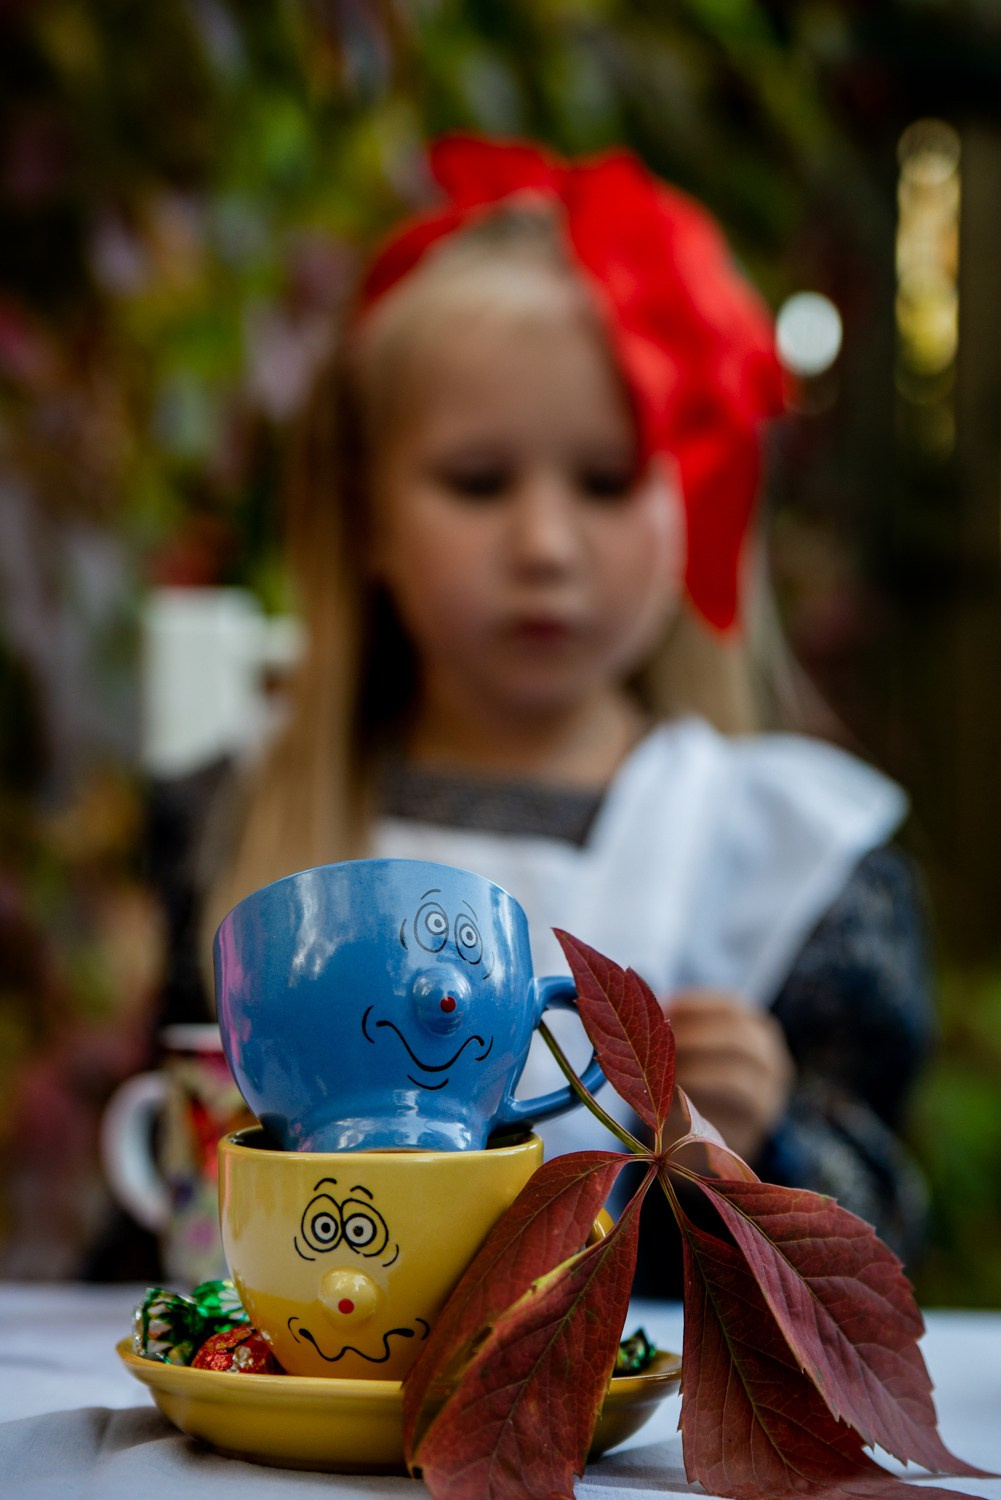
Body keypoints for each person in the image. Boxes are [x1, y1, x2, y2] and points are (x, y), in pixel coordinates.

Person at [162, 133, 933, 1284]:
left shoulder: (781, 864)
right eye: (477, 482)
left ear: (692, 502)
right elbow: (162, 1232)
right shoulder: (236, 820)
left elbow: (878, 1256)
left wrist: (763, 1146)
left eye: (605, 481)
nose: (543, 544)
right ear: (364, 512)